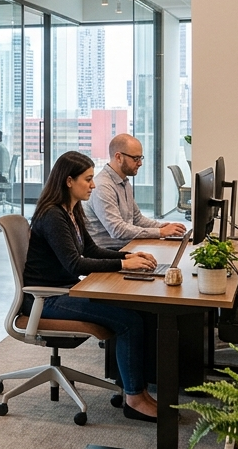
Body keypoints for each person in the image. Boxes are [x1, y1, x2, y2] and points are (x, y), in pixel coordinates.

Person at [22, 150, 162, 422]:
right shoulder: (53, 215)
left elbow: (91, 249)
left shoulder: (71, 210)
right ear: (68, 181)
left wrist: (128, 256)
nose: (93, 184)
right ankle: (134, 398)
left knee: (137, 310)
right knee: (129, 321)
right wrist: (123, 266)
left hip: (64, 289)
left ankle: (137, 390)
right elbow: (75, 264)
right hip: (46, 298)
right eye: (87, 179)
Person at [83, 134, 187, 250]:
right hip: (107, 253)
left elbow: (137, 219)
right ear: (119, 157)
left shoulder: (124, 181)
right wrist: (160, 232)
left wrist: (164, 227)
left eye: (140, 158)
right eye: (135, 158)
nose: (140, 163)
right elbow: (117, 230)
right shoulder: (103, 186)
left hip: (127, 247)